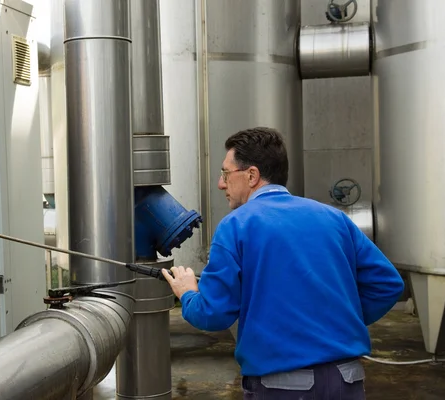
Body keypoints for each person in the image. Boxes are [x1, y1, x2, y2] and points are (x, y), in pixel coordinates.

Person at [161, 127, 404, 400]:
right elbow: (388, 285)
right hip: (347, 380)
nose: (220, 183)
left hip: (282, 387)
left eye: (225, 173)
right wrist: (338, 320)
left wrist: (188, 293)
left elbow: (213, 315)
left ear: (251, 175)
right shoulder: (333, 218)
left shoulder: (236, 225)